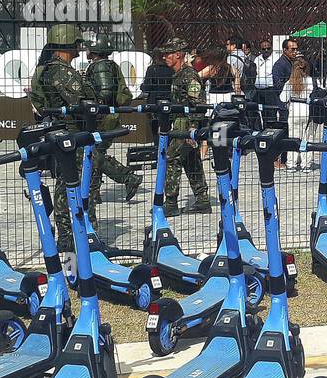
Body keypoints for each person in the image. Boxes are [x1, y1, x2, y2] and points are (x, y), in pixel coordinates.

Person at [30, 24, 88, 249]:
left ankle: (69, 233)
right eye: (76, 44)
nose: (78, 48)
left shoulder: (45, 69)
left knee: (67, 182)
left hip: (58, 131)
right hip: (70, 133)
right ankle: (68, 236)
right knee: (70, 184)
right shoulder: (61, 71)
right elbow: (81, 100)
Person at [85, 36, 144, 220]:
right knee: (95, 154)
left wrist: (92, 105)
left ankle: (128, 177)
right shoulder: (107, 65)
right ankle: (93, 191)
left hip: (102, 118)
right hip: (106, 116)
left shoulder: (101, 66)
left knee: (96, 155)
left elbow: (104, 91)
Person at [158, 38, 211, 215]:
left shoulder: (188, 75)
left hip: (186, 123)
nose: (165, 56)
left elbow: (198, 103)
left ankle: (171, 202)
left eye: (168, 53)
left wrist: (193, 128)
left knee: (172, 158)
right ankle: (202, 199)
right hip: (179, 122)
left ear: (179, 54)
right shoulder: (179, 74)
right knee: (190, 160)